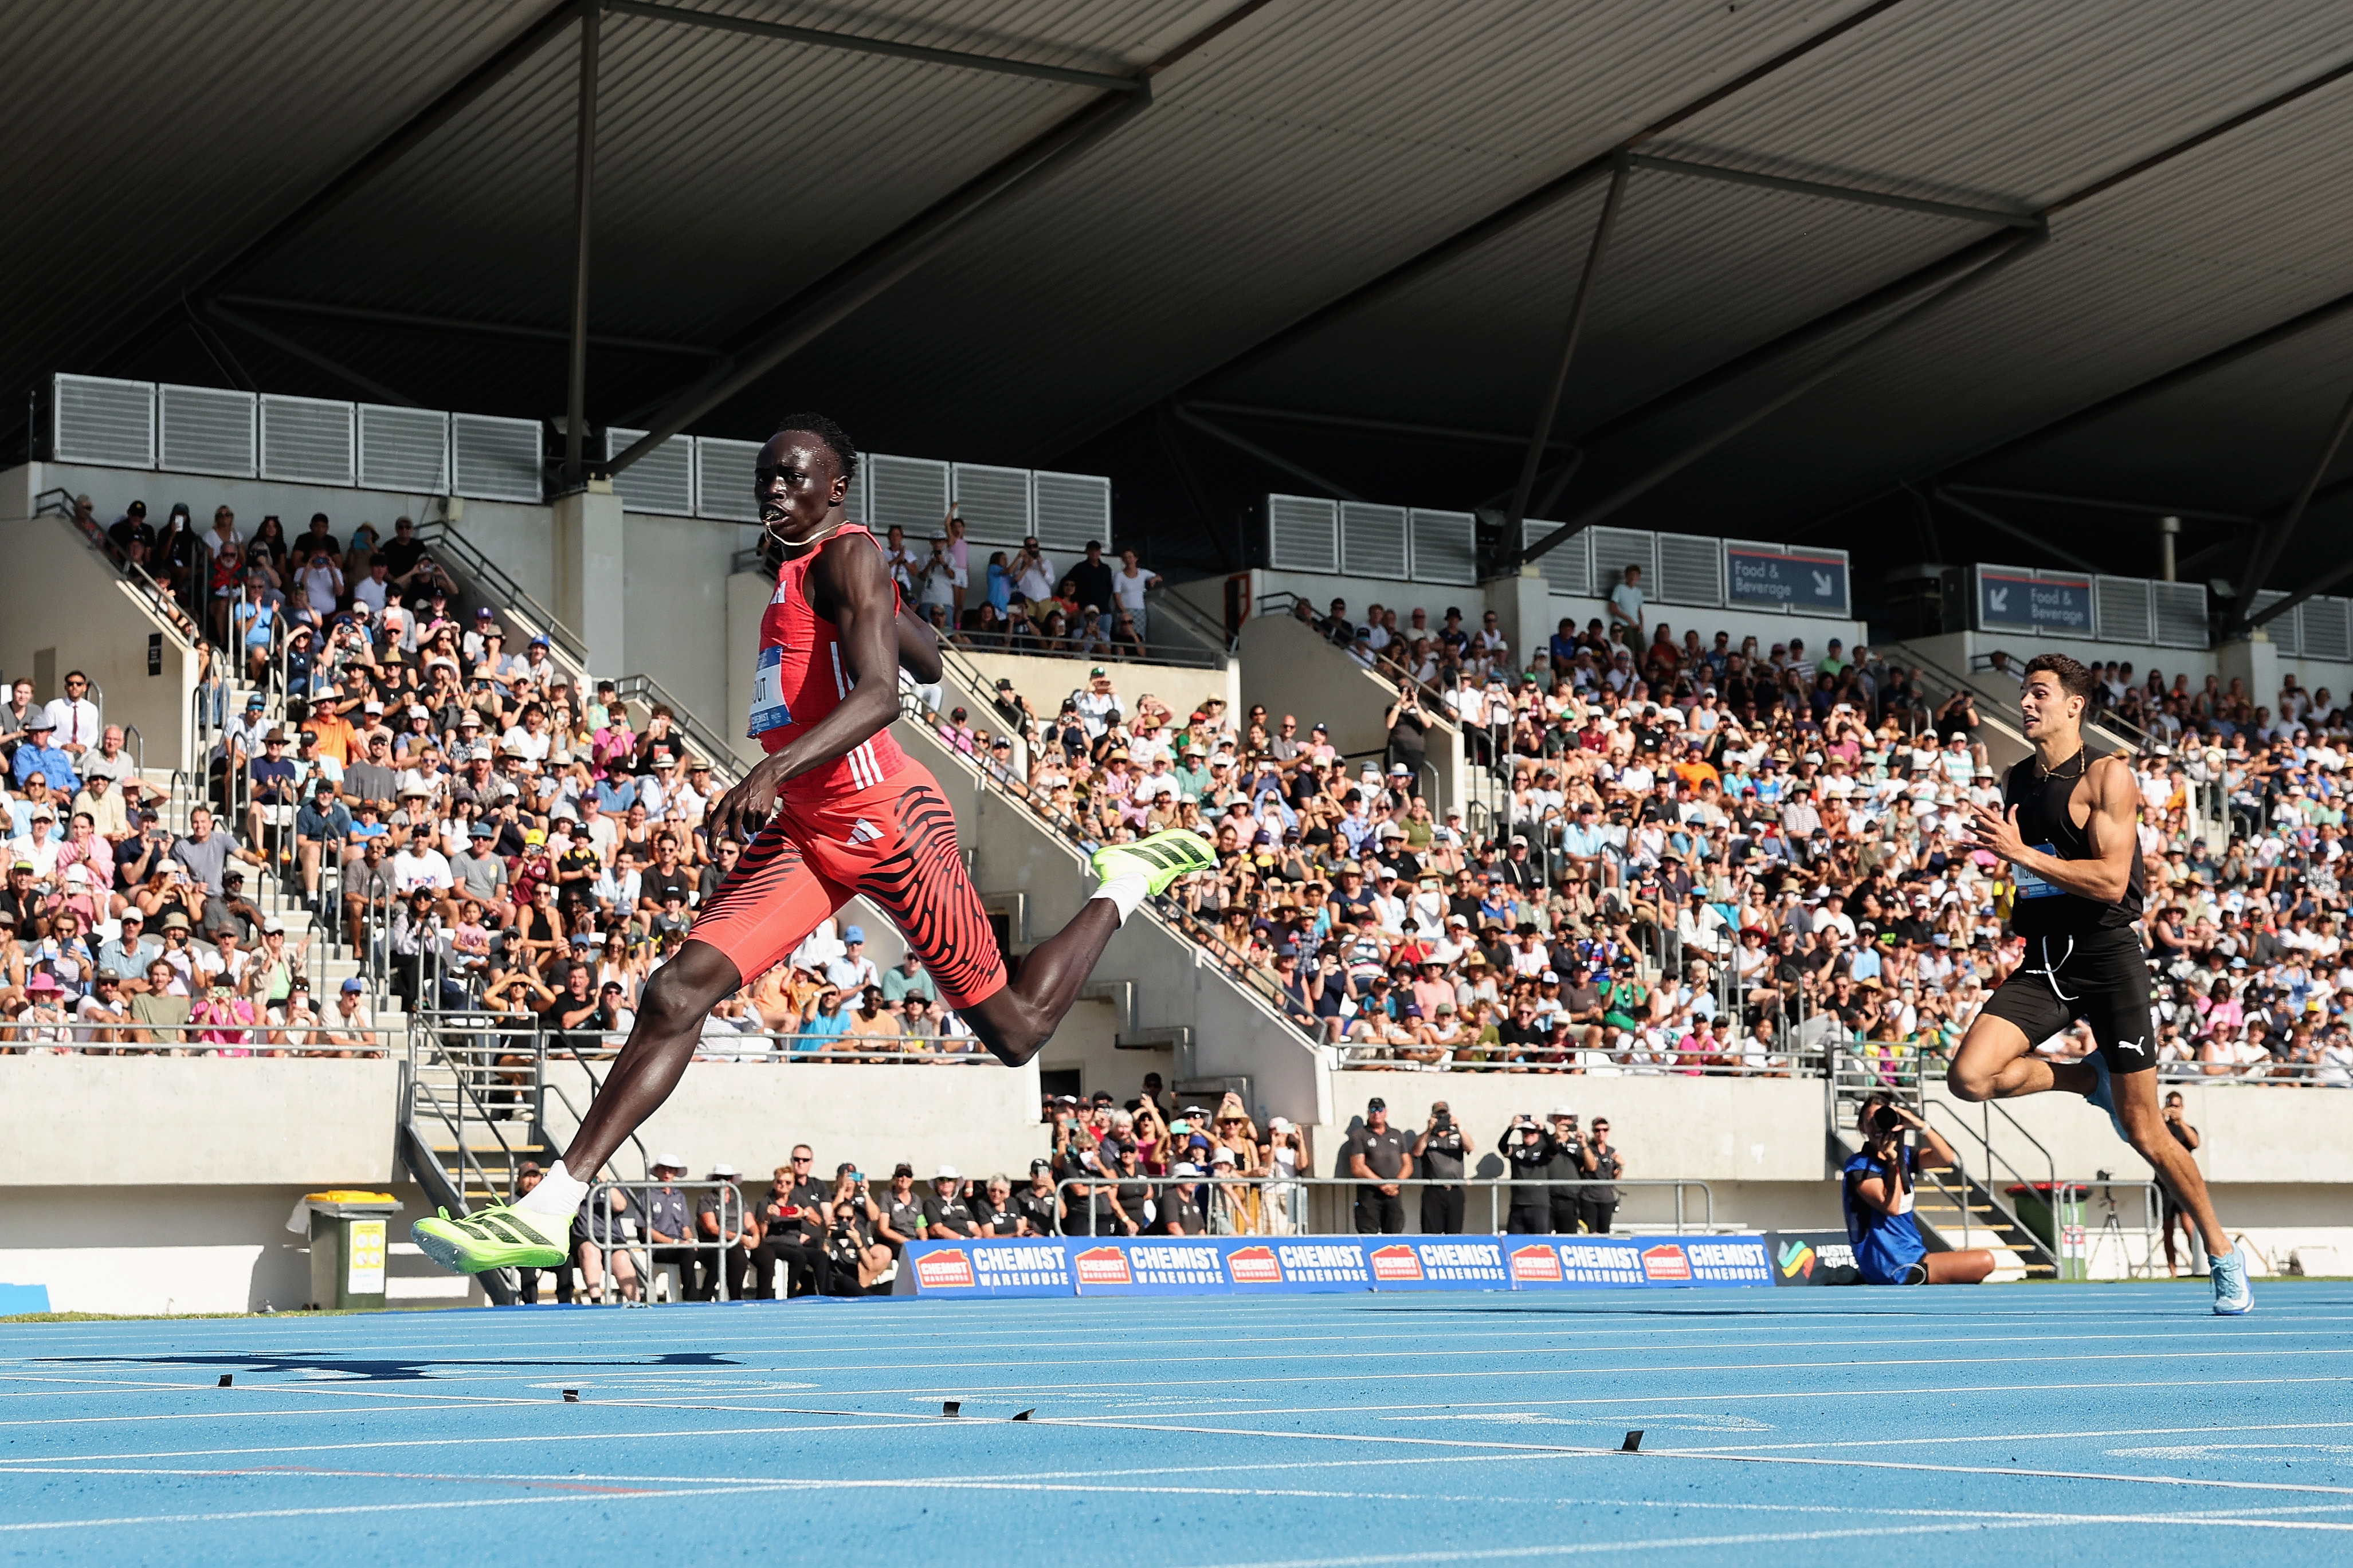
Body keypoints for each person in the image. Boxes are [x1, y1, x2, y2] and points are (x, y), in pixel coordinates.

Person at [415, 415, 1214, 1275]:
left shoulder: (846, 556)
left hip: (887, 821)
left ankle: (1123, 883)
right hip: (810, 825)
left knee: (1016, 1031)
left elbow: (884, 696)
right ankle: (551, 1205)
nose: (774, 491)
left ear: (837, 489)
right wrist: (885, 637)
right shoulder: (807, 573)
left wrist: (773, 768)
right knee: (674, 993)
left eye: (795, 478)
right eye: (765, 478)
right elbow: (930, 661)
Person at [1948, 652, 2250, 1315]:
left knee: (2146, 1132)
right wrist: (2014, 881)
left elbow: (2112, 881)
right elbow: (2034, 868)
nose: (2025, 703)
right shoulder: (2016, 777)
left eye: (2037, 694)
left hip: (2108, 959)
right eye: (2023, 694)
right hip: (2046, 959)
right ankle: (2089, 1080)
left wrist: (2021, 856)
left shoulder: (2108, 774)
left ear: (2073, 705)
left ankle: (2223, 1255)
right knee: (1968, 1078)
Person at [1842, 1100, 1998, 1285]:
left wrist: (1920, 1126)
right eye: (1870, 1122)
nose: (1877, 1126)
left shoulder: (1905, 1155)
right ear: (1862, 1128)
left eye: (1881, 1119)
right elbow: (1891, 1207)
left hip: (1911, 1252)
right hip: (1892, 1263)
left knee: (1970, 1275)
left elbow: (1946, 1158)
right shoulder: (1859, 1165)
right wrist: (1893, 1163)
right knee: (1985, 1261)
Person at [1345, 1096, 1412, 1235]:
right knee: (1368, 1234)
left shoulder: (1397, 1134)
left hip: (1394, 1193)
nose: (1377, 1113)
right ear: (1368, 1112)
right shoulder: (1360, 1135)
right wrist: (1383, 1185)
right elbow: (1358, 1168)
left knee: (1394, 1235)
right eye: (1373, 1109)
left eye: (1380, 1109)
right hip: (1370, 1194)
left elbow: (1408, 1165)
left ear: (1386, 1112)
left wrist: (1395, 1184)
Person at [2156, 1091, 2203, 1278]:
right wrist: (2161, 1117)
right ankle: (2172, 1271)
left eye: (2176, 1106)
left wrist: (2180, 1122)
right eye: (2171, 1106)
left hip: (2183, 1183)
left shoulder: (2187, 1128)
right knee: (2167, 1228)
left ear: (2182, 1107)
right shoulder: (2162, 1128)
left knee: (2188, 1224)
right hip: (2163, 1183)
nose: (2173, 1110)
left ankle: (2198, 1263)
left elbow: (2195, 1142)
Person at [1410, 1101, 1466, 1235]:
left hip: (1454, 1189)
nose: (1442, 1118)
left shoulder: (1457, 1135)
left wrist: (1460, 1127)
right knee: (1431, 1233)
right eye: (1438, 1115)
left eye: (1444, 1115)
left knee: (1454, 1233)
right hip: (1433, 1190)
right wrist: (1429, 1129)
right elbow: (1417, 1152)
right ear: (1432, 1116)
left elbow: (1470, 1147)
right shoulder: (1426, 1137)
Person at [1577, 1116, 1624, 1235]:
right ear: (1593, 1131)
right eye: (1597, 1130)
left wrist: (1621, 1167)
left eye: (1605, 1130)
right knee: (1592, 1233)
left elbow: (1616, 1180)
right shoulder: (1588, 1148)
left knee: (1605, 1234)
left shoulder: (1611, 1151)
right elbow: (1590, 1167)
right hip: (1589, 1197)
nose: (1601, 1133)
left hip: (1607, 1198)